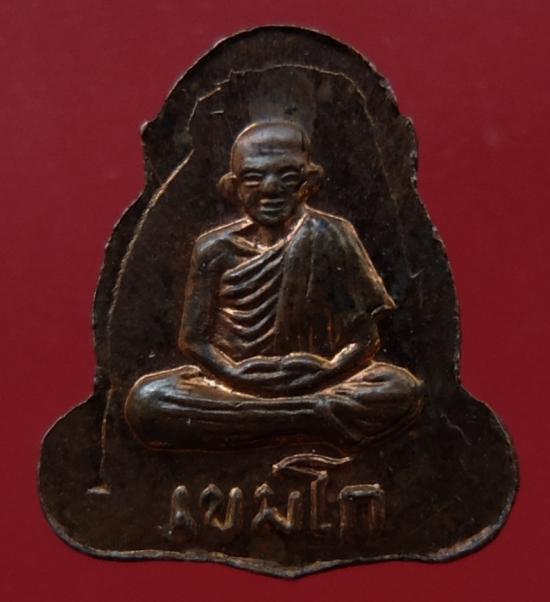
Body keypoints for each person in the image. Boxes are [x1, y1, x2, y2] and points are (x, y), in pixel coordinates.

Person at [125, 120, 422, 450]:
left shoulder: (332, 235)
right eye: (253, 177)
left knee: (400, 388)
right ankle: (310, 418)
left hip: (318, 380)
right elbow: (193, 340)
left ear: (308, 182)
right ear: (233, 186)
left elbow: (365, 339)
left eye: (287, 176)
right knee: (147, 401)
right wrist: (234, 373)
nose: (269, 188)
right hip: (237, 384)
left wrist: (327, 369)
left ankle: (272, 420)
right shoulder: (214, 249)